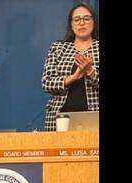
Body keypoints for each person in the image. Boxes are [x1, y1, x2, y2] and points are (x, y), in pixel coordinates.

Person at [41, 3, 100, 131]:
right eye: (77, 19)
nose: (81, 23)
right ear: (71, 24)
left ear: (93, 22)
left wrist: (91, 72)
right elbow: (46, 83)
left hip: (95, 117)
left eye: (86, 18)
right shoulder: (58, 48)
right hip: (60, 118)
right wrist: (72, 78)